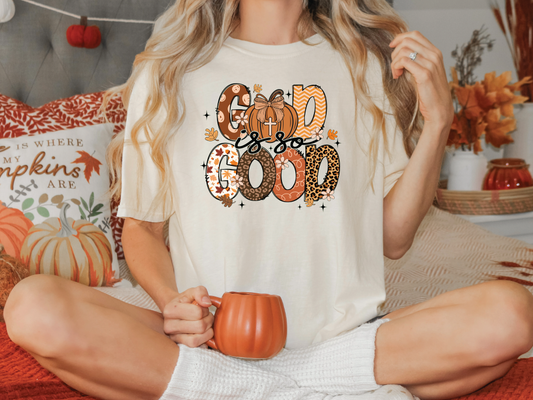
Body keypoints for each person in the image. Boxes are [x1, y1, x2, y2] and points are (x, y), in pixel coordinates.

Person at [5, 0, 533, 399]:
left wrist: (439, 120)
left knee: (511, 314)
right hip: (210, 341)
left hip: (340, 340)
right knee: (32, 307)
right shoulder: (169, 72)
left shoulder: (362, 66)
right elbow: (142, 229)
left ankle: (225, 388)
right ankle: (283, 386)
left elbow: (393, 240)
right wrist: (171, 304)